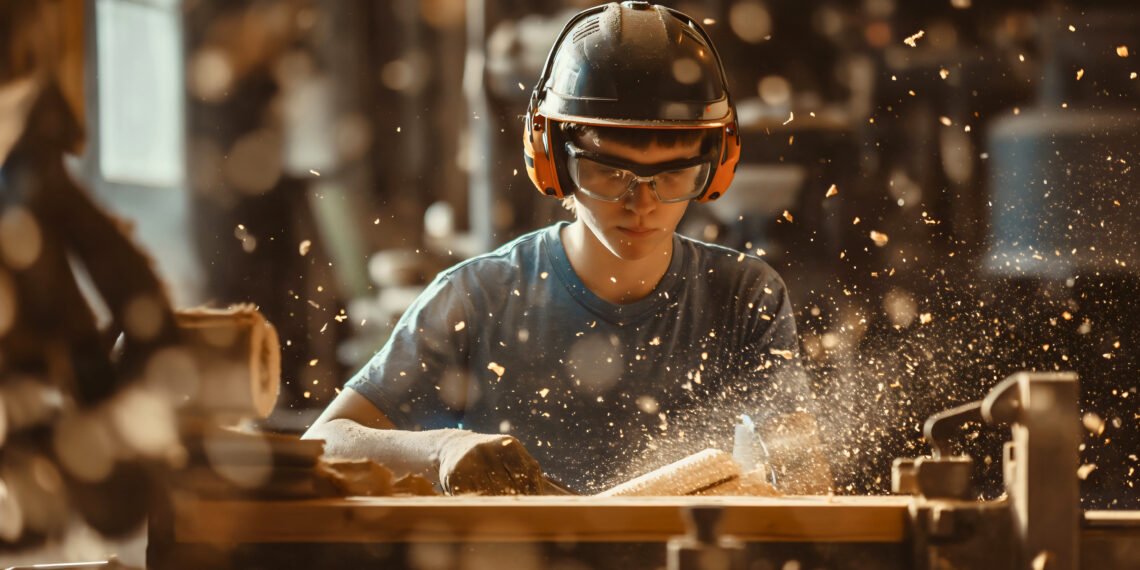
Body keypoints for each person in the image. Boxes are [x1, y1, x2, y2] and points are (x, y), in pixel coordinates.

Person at [304, 1, 821, 496]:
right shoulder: (477, 296)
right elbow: (326, 442)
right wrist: (443, 448)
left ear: (715, 166)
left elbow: (805, 481)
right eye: (609, 172)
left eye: (673, 174)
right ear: (551, 159)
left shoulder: (744, 296)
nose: (642, 204)